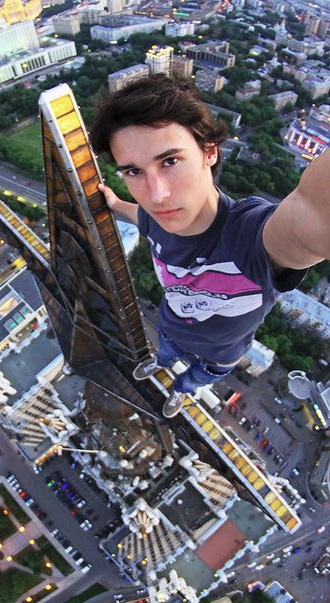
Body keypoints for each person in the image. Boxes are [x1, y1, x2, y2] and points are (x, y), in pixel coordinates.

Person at [89, 74, 329, 418]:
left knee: (192, 380)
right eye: (133, 172)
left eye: (170, 161)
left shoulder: (249, 238)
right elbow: (140, 214)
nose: (157, 195)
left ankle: (179, 391)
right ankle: (158, 365)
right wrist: (113, 204)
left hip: (219, 354)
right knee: (164, 355)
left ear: (209, 152)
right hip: (171, 329)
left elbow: (316, 212)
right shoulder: (157, 218)